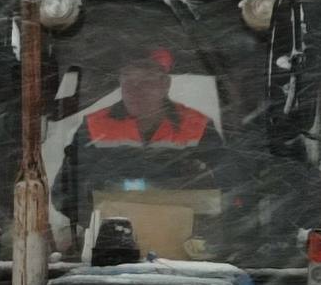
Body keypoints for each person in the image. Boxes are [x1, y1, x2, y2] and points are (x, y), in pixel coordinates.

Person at [52, 48, 223, 237]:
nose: (135, 90)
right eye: (128, 81)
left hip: (183, 247)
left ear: (165, 84)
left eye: (146, 81)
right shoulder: (94, 127)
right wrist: (100, 222)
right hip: (112, 246)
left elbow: (230, 188)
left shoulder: (198, 127)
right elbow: (64, 193)